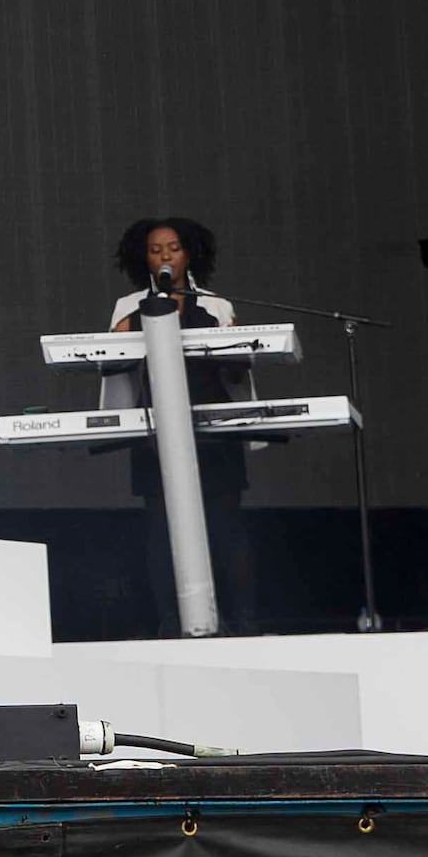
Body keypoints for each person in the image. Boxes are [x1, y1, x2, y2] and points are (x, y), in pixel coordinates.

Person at [102, 217, 256, 634]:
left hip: (214, 431)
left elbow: (238, 373)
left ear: (190, 253)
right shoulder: (128, 307)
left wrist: (235, 340)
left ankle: (242, 622)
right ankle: (170, 623)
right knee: (160, 531)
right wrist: (122, 333)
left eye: (173, 247)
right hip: (157, 436)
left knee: (225, 528)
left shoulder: (216, 305)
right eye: (155, 250)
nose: (165, 256)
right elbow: (112, 367)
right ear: (144, 259)